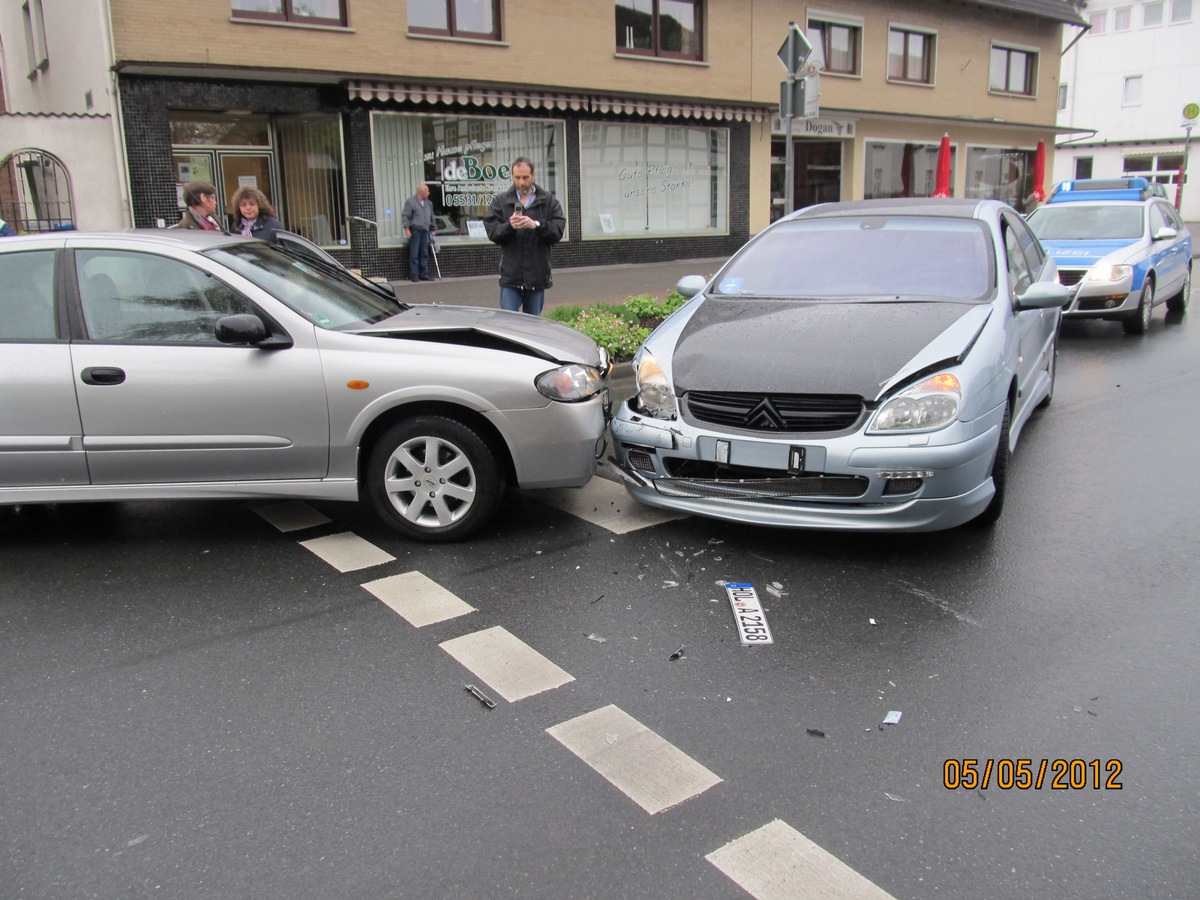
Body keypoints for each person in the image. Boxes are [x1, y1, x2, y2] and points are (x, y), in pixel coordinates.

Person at [484, 157, 565, 315]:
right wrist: (510, 226)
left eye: (525, 177)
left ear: (533, 175)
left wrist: (536, 225)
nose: (521, 182)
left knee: (533, 325)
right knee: (508, 323)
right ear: (512, 176)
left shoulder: (548, 201)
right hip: (511, 274)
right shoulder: (501, 201)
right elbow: (492, 232)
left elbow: (557, 232)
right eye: (517, 177)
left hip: (536, 274)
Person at [401, 183, 435, 282]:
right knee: (414, 253)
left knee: (424, 253)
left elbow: (432, 216)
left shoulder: (429, 203)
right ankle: (414, 275)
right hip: (414, 230)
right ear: (421, 192)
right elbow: (405, 216)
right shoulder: (411, 202)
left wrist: (433, 228)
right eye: (427, 191)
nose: (428, 193)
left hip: (425, 230)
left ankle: (424, 274)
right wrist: (407, 228)